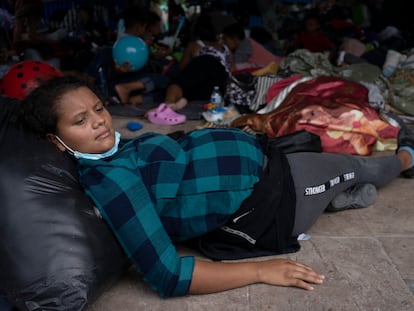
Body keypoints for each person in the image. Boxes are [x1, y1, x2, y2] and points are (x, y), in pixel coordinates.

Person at [17, 76, 414, 298]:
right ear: (57, 140)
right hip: (274, 197)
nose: (101, 122)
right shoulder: (113, 182)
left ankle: (339, 196)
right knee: (361, 167)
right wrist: (261, 271)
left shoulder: (110, 153)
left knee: (319, 142)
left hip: (266, 162)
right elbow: (167, 274)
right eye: (81, 121)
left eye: (99, 109)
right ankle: (407, 158)